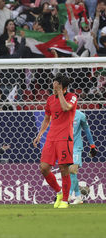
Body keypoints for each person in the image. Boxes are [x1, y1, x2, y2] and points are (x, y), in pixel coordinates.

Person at [33, 74, 78, 208]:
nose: (53, 88)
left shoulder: (72, 97)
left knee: (64, 168)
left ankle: (65, 199)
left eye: (56, 86)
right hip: (51, 137)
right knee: (44, 167)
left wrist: (60, 93)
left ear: (63, 87)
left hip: (65, 137)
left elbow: (66, 108)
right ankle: (59, 192)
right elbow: (47, 119)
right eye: (53, 85)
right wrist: (40, 134)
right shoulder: (50, 99)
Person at [68, 110, 98, 204]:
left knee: (73, 170)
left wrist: (92, 146)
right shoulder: (61, 113)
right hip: (64, 147)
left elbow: (87, 130)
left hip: (76, 146)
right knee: (71, 173)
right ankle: (78, 197)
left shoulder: (80, 115)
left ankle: (67, 196)